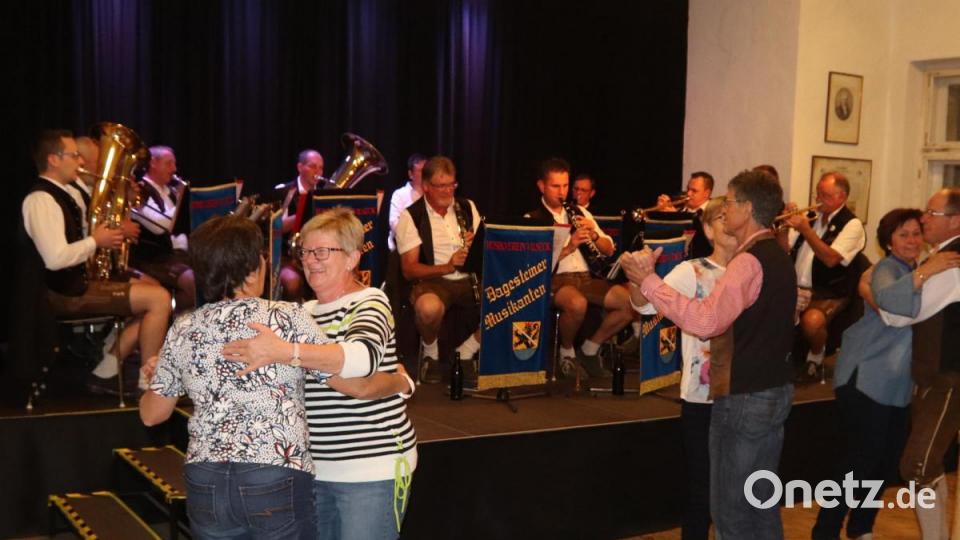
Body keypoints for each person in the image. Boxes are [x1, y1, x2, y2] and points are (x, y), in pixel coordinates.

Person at [139, 215, 342, 538]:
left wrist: (151, 376)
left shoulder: (184, 328)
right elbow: (341, 377)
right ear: (252, 267)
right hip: (274, 468)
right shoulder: (285, 317)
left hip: (206, 476)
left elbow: (152, 415)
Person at [221, 208, 417, 539]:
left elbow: (360, 362)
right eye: (305, 251)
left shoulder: (370, 301)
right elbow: (261, 364)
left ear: (352, 258)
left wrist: (288, 353)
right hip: (315, 471)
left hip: (372, 469)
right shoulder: (302, 312)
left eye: (322, 251)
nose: (311, 260)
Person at [622, 170, 796, 538]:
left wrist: (648, 280)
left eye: (729, 202)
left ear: (747, 209)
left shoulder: (748, 262)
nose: (725, 209)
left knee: (731, 511)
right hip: (773, 389)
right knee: (760, 503)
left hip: (745, 395)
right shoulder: (778, 255)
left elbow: (705, 322)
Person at [811, 208, 960, 540]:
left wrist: (926, 271)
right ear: (888, 242)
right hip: (865, 378)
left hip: (896, 386)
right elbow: (896, 304)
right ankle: (826, 530)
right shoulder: (886, 269)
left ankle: (861, 528)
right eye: (903, 235)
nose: (912, 240)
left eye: (916, 233)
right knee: (858, 460)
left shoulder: (917, 270)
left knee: (883, 463)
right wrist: (927, 271)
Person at [19, 130, 171, 396]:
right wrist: (96, 241)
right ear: (53, 160)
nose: (79, 161)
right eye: (73, 156)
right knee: (158, 299)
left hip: (75, 283)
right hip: (60, 292)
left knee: (158, 296)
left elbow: (87, 230)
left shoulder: (67, 192)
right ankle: (149, 384)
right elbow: (55, 258)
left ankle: (108, 368)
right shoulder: (40, 199)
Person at [627, 198, 735, 540]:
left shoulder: (754, 269)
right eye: (722, 217)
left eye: (735, 215)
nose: (731, 223)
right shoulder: (692, 271)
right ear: (708, 229)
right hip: (703, 397)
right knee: (702, 490)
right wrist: (639, 277)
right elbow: (644, 306)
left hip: (746, 396)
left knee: (737, 489)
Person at [874, 188, 960, 539]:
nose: (923, 219)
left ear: (955, 220)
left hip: (948, 379)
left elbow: (900, 314)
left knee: (917, 465)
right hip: (931, 377)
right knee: (926, 466)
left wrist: (879, 293)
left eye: (931, 213)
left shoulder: (951, 263)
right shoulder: (939, 258)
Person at [524, 157, 634, 379]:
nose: (562, 192)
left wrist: (593, 234)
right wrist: (570, 246)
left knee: (631, 302)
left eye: (565, 186)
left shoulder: (580, 212)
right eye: (555, 186)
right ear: (541, 186)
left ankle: (590, 349)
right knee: (576, 303)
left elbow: (608, 249)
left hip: (586, 278)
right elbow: (535, 265)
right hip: (555, 281)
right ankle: (566, 353)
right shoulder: (532, 219)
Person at [395, 156, 483, 383]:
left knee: (507, 300)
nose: (448, 191)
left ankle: (466, 351)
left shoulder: (467, 207)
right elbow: (409, 270)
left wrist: (475, 246)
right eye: (441, 186)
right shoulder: (411, 216)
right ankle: (431, 354)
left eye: (451, 185)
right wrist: (447, 266)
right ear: (426, 186)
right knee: (428, 308)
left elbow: (485, 248)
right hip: (432, 281)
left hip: (468, 278)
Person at [778, 172, 866, 380]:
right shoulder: (812, 218)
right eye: (817, 193)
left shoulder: (852, 224)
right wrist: (783, 227)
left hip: (829, 291)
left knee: (813, 321)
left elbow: (831, 259)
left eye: (824, 195)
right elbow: (784, 250)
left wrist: (806, 231)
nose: (818, 199)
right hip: (797, 288)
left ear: (841, 197)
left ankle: (816, 356)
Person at [130, 145, 195, 309]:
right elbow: (160, 226)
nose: (174, 169)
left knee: (214, 274)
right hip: (154, 258)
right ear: (153, 163)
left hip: (178, 255)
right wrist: (183, 201)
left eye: (174, 164)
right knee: (193, 282)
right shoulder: (139, 190)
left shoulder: (171, 191)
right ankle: (165, 315)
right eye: (169, 163)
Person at [275, 148, 325, 301]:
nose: (318, 172)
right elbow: (277, 228)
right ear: (300, 167)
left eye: (321, 168)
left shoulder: (324, 195)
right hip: (287, 256)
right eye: (313, 166)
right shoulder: (283, 191)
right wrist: (303, 214)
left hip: (317, 254)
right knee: (292, 282)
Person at [388, 154, 427, 251]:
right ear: (410, 174)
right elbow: (394, 223)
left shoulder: (432, 194)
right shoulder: (399, 194)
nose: (425, 174)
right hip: (402, 248)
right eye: (421, 171)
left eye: (427, 171)